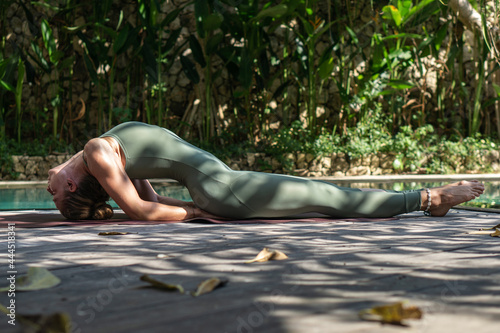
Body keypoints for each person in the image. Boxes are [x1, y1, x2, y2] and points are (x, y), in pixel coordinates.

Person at [47, 121, 485, 221]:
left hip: (220, 184)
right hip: (221, 188)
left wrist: (190, 209)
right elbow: (142, 214)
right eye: (55, 197)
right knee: (330, 197)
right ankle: (432, 198)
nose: (49, 191)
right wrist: (200, 213)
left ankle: (427, 199)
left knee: (326, 195)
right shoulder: (97, 152)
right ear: (71, 184)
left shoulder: (107, 153)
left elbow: (152, 202)